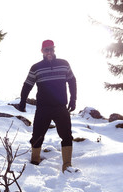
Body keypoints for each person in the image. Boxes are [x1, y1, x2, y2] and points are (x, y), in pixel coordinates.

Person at [17, 39, 77, 173]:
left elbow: (72, 81)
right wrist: (22, 101)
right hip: (43, 108)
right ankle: (34, 160)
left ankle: (67, 165)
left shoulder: (64, 64)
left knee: (66, 135)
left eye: (51, 49)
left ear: (54, 49)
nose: (49, 52)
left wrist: (73, 100)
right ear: (42, 51)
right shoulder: (36, 67)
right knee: (37, 135)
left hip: (61, 107)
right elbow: (27, 85)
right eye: (46, 50)